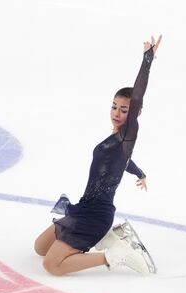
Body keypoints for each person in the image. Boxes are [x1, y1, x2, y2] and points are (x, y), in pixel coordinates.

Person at [34, 35, 162, 276]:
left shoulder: (127, 134)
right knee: (40, 248)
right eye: (114, 106)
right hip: (84, 207)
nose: (117, 112)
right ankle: (110, 237)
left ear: (134, 113)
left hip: (97, 214)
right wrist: (140, 172)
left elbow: (136, 98)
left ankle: (112, 256)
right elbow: (122, 162)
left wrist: (147, 60)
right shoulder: (116, 143)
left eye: (124, 110)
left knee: (52, 266)